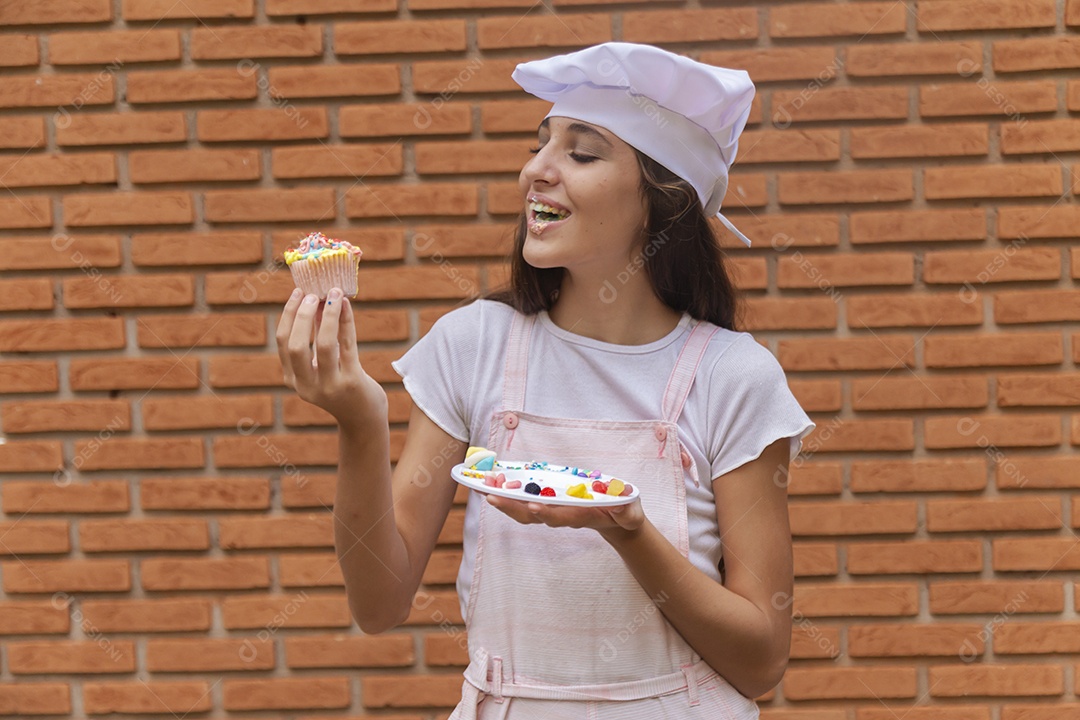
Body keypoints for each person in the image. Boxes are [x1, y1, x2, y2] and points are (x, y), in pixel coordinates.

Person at [276, 42, 815, 720]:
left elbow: (761, 660)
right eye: (540, 146)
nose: (535, 170)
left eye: (581, 154)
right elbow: (379, 603)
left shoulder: (732, 376)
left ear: (662, 203)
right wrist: (360, 421)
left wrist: (627, 531)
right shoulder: (474, 344)